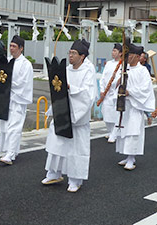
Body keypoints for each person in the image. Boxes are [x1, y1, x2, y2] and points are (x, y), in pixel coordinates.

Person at [41, 39, 97, 192]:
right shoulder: (66, 69)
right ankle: (54, 173)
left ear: (83, 56)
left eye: (74, 53)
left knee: (75, 149)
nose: (70, 56)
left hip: (77, 116)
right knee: (56, 143)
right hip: (62, 112)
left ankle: (75, 179)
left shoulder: (88, 70)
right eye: (70, 53)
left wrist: (71, 88)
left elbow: (88, 94)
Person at [112, 44, 155, 170]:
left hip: (135, 106)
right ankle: (126, 155)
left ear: (137, 57)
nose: (128, 57)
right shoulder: (125, 69)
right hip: (125, 106)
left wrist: (130, 92)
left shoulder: (143, 71)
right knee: (124, 130)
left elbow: (145, 89)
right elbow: (116, 84)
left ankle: (132, 158)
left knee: (133, 132)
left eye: (130, 55)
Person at [0, 35, 33, 165]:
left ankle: (10, 153)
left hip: (18, 99)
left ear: (21, 48)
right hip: (7, 99)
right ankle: (10, 150)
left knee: (14, 126)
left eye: (14, 46)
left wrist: (9, 85)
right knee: (6, 126)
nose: (11, 49)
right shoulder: (7, 61)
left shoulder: (26, 64)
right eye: (10, 46)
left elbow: (23, 83)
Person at [99, 44, 122, 140]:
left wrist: (114, 88)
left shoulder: (123, 65)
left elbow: (120, 79)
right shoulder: (108, 63)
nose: (113, 53)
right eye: (113, 51)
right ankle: (110, 131)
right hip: (106, 93)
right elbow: (103, 77)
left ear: (120, 53)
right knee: (106, 112)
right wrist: (102, 90)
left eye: (115, 51)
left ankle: (114, 133)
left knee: (115, 114)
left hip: (115, 92)